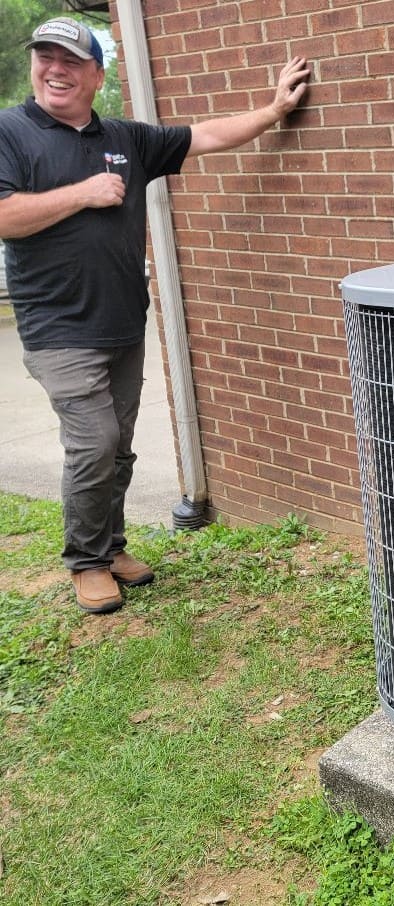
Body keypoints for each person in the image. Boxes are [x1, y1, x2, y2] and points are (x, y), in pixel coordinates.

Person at [0, 17, 310, 614]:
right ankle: (86, 562)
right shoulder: (10, 132)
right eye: (44, 57)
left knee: (117, 449)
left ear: (97, 73)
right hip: (57, 328)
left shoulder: (126, 137)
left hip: (122, 322)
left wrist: (273, 111)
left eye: (69, 59)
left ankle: (110, 547)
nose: (53, 69)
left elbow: (207, 136)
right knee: (94, 444)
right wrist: (85, 193)